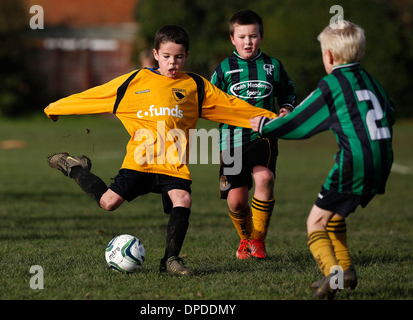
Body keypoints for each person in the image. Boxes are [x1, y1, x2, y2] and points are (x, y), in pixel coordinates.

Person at [44, 25, 277, 276]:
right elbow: (96, 95)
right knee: (108, 203)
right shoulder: (134, 81)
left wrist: (273, 119)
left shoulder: (196, 86)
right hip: (139, 162)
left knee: (183, 199)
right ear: (156, 54)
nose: (172, 63)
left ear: (186, 56)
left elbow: (232, 106)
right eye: (166, 57)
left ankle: (171, 259)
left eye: (178, 57)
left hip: (172, 164)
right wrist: (56, 107)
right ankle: (74, 166)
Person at [250, 20, 394, 298]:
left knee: (315, 222)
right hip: (383, 158)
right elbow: (389, 111)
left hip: (355, 161)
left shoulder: (333, 83)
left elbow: (300, 120)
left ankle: (333, 276)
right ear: (360, 53)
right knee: (335, 217)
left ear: (328, 56)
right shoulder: (370, 79)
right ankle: (346, 270)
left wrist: (264, 127)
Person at [211, 10, 296, 260]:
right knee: (236, 202)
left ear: (261, 36)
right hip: (231, 142)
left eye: (253, 36)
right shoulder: (224, 69)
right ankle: (246, 239)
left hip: (264, 135)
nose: (248, 42)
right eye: (242, 36)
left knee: (265, 178)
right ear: (232, 39)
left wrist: (285, 108)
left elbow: (289, 90)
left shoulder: (273, 66)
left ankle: (258, 240)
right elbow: (208, 99)